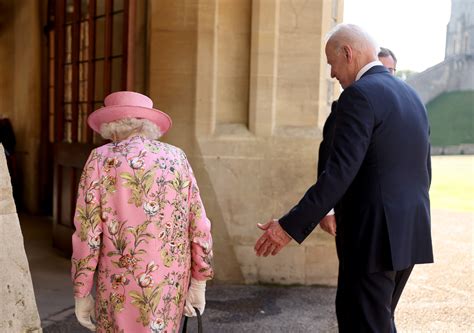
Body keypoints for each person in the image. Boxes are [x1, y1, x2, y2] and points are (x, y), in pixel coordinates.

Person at [254, 24, 433, 332]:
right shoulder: (411, 95)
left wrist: (288, 227)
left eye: (331, 63)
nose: (332, 74)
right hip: (410, 231)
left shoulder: (358, 96)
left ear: (348, 54)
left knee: (363, 323)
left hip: (374, 237)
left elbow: (338, 172)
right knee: (377, 319)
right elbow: (423, 170)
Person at [71, 91, 214, 332]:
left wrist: (81, 290)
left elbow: (87, 232)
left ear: (112, 127)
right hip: (170, 281)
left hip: (119, 280)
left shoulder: (100, 159)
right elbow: (198, 224)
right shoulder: (177, 157)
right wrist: (199, 282)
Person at [319, 47, 398, 237]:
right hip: (358, 213)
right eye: (382, 68)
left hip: (396, 215)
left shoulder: (401, 108)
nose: (386, 75)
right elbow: (328, 155)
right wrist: (327, 208)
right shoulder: (351, 103)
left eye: (390, 71)